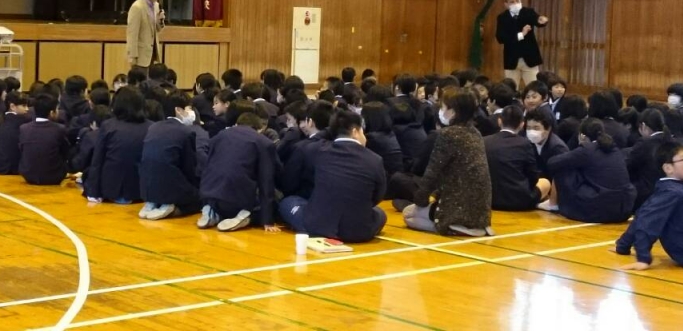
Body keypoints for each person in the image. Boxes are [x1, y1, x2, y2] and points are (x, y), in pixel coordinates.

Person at [279, 111, 387, 243]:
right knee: (380, 213)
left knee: (288, 202)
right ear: (355, 132)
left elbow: (302, 149)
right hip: (358, 231)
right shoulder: (375, 159)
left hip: (317, 225)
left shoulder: (318, 150)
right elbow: (378, 195)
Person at [403, 90, 493, 237]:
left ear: (453, 111)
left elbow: (432, 172)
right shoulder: (475, 133)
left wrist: (421, 200)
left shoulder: (448, 134)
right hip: (480, 211)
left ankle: (452, 226)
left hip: (455, 205)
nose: (441, 111)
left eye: (443, 107)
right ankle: (467, 226)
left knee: (408, 214)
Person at [198, 100, 280, 232]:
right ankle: (244, 216)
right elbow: (266, 182)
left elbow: (207, 166)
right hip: (238, 201)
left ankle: (211, 211)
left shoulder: (219, 136)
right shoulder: (264, 142)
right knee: (276, 202)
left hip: (210, 196)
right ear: (260, 127)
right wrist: (267, 221)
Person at [614, 141, 683, 270]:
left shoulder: (671, 189)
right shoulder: (672, 192)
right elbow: (647, 221)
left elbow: (641, 214)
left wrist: (623, 245)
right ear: (668, 168)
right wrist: (643, 258)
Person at [540, 119, 635, 222]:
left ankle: (553, 204)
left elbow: (553, 162)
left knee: (562, 167)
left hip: (599, 209)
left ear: (582, 136)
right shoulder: (613, 148)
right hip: (623, 209)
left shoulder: (587, 149)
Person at [139, 92, 201, 220]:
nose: (191, 113)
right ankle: (172, 207)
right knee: (201, 198)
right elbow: (189, 167)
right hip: (170, 187)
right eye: (188, 109)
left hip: (147, 188)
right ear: (178, 110)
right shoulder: (186, 132)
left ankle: (154, 202)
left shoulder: (153, 127)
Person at [84, 87, 152, 203]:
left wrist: (93, 192)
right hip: (142, 191)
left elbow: (97, 160)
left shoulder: (108, 126)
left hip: (112, 189)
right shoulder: (152, 127)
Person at [483, 104, 551, 211]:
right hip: (518, 201)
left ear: (499, 121)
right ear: (521, 124)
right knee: (545, 182)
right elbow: (533, 176)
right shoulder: (525, 144)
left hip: (490, 199)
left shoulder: (484, 141)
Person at [495, 0, 548, 88]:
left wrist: (542, 21)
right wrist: (521, 35)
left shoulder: (528, 12)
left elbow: (537, 20)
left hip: (530, 58)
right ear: (506, 4)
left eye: (518, 0)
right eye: (512, 2)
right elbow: (500, 38)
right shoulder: (502, 18)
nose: (516, 3)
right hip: (511, 59)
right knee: (511, 89)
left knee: (534, 87)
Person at [18, 93, 70, 185]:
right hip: (54, 176)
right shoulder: (59, 129)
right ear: (51, 112)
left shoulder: (24, 128)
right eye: (57, 109)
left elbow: (21, 149)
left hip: (28, 174)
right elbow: (65, 151)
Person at [627, 108, 673, 211]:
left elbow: (628, 166)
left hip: (646, 194)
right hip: (668, 192)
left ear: (643, 126)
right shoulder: (672, 141)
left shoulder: (644, 144)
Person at [0, 92, 32, 175]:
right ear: (12, 106)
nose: (27, 109)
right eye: (24, 106)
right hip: (19, 165)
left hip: (0, 164)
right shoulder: (27, 120)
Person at [125, 0, 165, 70]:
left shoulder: (156, 6)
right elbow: (132, 33)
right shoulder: (137, 7)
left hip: (152, 54)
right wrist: (132, 56)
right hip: (140, 56)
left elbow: (157, 29)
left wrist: (160, 20)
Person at [524, 108, 568, 179]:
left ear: (548, 129)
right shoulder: (528, 143)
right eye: (528, 128)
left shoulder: (557, 148)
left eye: (536, 128)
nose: (531, 132)